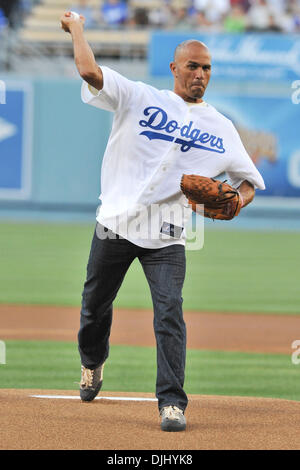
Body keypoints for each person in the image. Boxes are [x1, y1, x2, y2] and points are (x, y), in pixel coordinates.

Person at [60, 11, 265, 432]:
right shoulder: (139, 97)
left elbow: (248, 184)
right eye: (192, 66)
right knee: (93, 307)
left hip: (167, 236)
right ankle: (92, 363)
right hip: (113, 224)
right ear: (174, 68)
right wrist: (76, 27)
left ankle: (172, 404)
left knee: (170, 312)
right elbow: (88, 70)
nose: (200, 74)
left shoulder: (223, 128)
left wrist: (236, 203)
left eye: (207, 68)